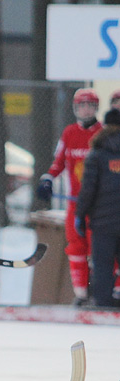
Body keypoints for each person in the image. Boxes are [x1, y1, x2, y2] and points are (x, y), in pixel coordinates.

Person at [36, 88, 102, 306]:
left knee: (99, 248)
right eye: (81, 105)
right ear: (75, 108)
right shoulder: (69, 133)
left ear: (96, 108)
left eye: (90, 105)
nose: (85, 110)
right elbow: (59, 162)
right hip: (75, 204)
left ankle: (103, 293)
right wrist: (47, 179)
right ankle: (81, 294)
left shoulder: (103, 133)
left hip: (98, 205)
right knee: (76, 247)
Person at [75, 108, 120, 309]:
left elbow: (88, 190)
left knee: (102, 265)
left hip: (103, 223)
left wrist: (80, 214)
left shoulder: (97, 153)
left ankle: (102, 306)